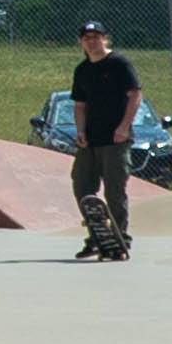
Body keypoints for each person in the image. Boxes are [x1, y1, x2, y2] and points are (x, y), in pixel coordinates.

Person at [71, 21, 142, 257]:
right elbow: (80, 105)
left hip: (116, 139)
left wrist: (124, 126)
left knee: (114, 191)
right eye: (87, 37)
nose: (92, 41)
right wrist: (80, 131)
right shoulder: (82, 70)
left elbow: (135, 95)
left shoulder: (119, 64)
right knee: (83, 188)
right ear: (81, 42)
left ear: (105, 39)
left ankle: (120, 238)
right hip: (90, 140)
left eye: (96, 36)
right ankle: (97, 236)